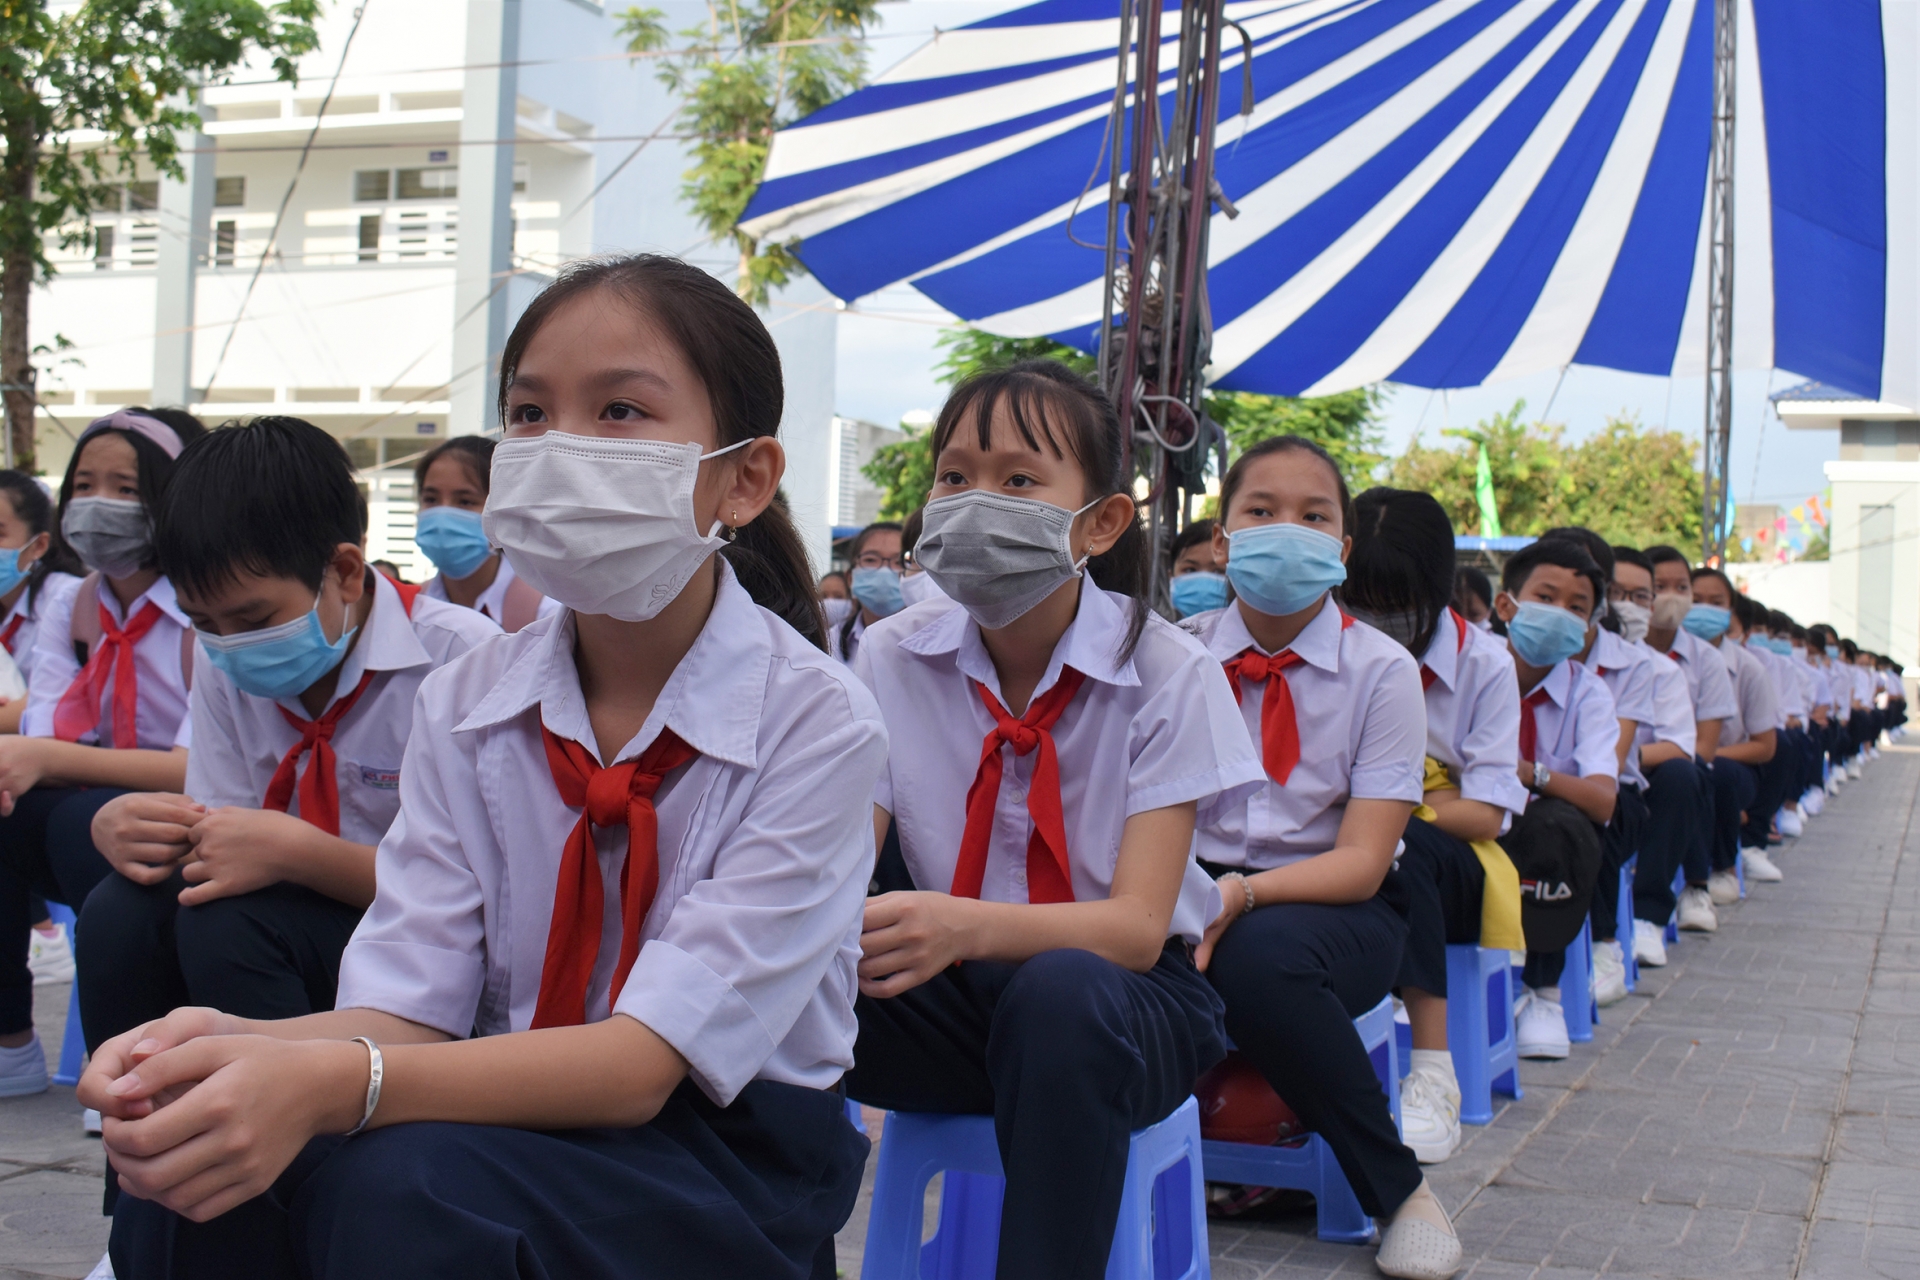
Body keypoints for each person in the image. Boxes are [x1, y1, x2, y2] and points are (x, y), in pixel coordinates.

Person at [81, 254, 886, 1279]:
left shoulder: (816, 720)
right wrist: (229, 1045)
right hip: (497, 1092)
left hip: (729, 1141)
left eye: (622, 411)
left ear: (744, 476)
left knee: (400, 1187)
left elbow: (643, 1066)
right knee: (206, 1155)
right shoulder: (470, 701)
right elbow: (411, 1003)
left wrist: (329, 1084)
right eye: (531, 412)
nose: (561, 447)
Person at [846, 360, 1261, 1280]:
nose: (973, 501)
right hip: (953, 1003)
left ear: (1102, 521)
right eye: (954, 476)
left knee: (1060, 994)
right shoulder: (890, 656)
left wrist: (962, 926)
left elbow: (1137, 926)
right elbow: (845, 863)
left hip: (1123, 1007)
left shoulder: (1167, 670)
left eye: (1019, 480)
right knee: (777, 985)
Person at [78, 417, 499, 1216]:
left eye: (250, 618)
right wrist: (136, 828)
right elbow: (223, 833)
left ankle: (294, 1179)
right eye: (204, 623)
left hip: (417, 951)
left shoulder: (461, 659)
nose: (229, 645)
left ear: (344, 571)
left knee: (230, 926)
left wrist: (304, 855)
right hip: (291, 911)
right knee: (121, 913)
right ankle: (142, 1203)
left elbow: (490, 899)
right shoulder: (224, 659)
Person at [1187, 438, 1461, 1279]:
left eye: (1313, 516)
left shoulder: (1381, 672)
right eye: (1261, 511)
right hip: (1186, 884)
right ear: (1224, 539)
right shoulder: (1175, 654)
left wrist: (1237, 897)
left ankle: (1401, 1192)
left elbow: (1366, 861)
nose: (1287, 530)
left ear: (1341, 550)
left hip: (1338, 907)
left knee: (1262, 961)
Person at [0, 408, 207, 1098]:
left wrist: (41, 760)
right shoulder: (80, 603)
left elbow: (197, 765)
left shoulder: (206, 603)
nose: (99, 505)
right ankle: (10, 1041)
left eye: (125, 488)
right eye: (84, 485)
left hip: (190, 812)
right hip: (90, 802)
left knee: (94, 821)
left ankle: (131, 1056)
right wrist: (32, 760)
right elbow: (53, 731)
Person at [1345, 487, 1524, 1168]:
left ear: (1439, 589)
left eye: (1397, 604)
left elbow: (1485, 811)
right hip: (1340, 842)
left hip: (1451, 852)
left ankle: (1431, 1068)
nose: (1375, 619)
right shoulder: (1331, 645)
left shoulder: (1483, 665)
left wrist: (1385, 807)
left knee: (1400, 844)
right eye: (1361, 599)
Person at [1490, 539, 1617, 1061]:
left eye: (1577, 608)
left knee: (1560, 824)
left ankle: (1542, 992)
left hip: (1538, 826)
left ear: (1589, 627)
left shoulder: (1589, 694)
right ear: (1506, 605)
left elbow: (1603, 800)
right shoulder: (1468, 668)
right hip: (1469, 814)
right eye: (1546, 597)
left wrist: (1530, 774)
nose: (1561, 615)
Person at [1542, 529, 1654, 1008]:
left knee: (1585, 821)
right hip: (1522, 787)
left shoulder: (1630, 664)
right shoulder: (1495, 656)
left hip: (1606, 795)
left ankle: (1602, 944)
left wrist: (1538, 778)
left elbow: (1607, 768)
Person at [1608, 546, 1710, 962]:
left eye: (1639, 596)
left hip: (1632, 783)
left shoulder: (1661, 670)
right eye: (1616, 593)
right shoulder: (1563, 659)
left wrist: (1615, 759)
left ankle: (1648, 916)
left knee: (1684, 777)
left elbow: (1678, 745)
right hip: (1568, 781)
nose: (1627, 606)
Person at [1642, 546, 1737, 932]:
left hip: (1668, 765)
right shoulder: (1616, 652)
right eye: (1659, 586)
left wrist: (1633, 759)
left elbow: (1705, 747)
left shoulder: (1706, 660)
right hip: (1617, 766)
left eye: (1681, 587)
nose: (1671, 596)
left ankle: (1694, 886)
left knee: (1689, 773)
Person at [1688, 568, 1781, 890]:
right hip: (1675, 760)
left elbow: (1764, 746)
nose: (1703, 609)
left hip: (1734, 766)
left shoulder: (1749, 669)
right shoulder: (1661, 660)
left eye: (1715, 602)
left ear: (1729, 612)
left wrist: (1709, 753)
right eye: (1695, 599)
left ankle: (1722, 868)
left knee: (1716, 774)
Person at [411, 436, 561, 632]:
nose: (442, 515)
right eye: (430, 499)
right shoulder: (409, 610)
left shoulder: (545, 613)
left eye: (465, 501)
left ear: (503, 508)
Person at [830, 521, 903, 663]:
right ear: (850, 578)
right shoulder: (827, 644)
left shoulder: (936, 643)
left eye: (898, 562)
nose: (884, 571)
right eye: (870, 559)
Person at [1167, 518, 1227, 618]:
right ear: (1171, 577)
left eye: (1217, 571)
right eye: (1190, 570)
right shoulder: (1149, 631)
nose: (1203, 582)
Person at [1453, 566, 1493, 630]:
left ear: (1489, 613)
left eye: (1474, 615)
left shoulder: (1501, 640)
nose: (1464, 622)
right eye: (1455, 615)